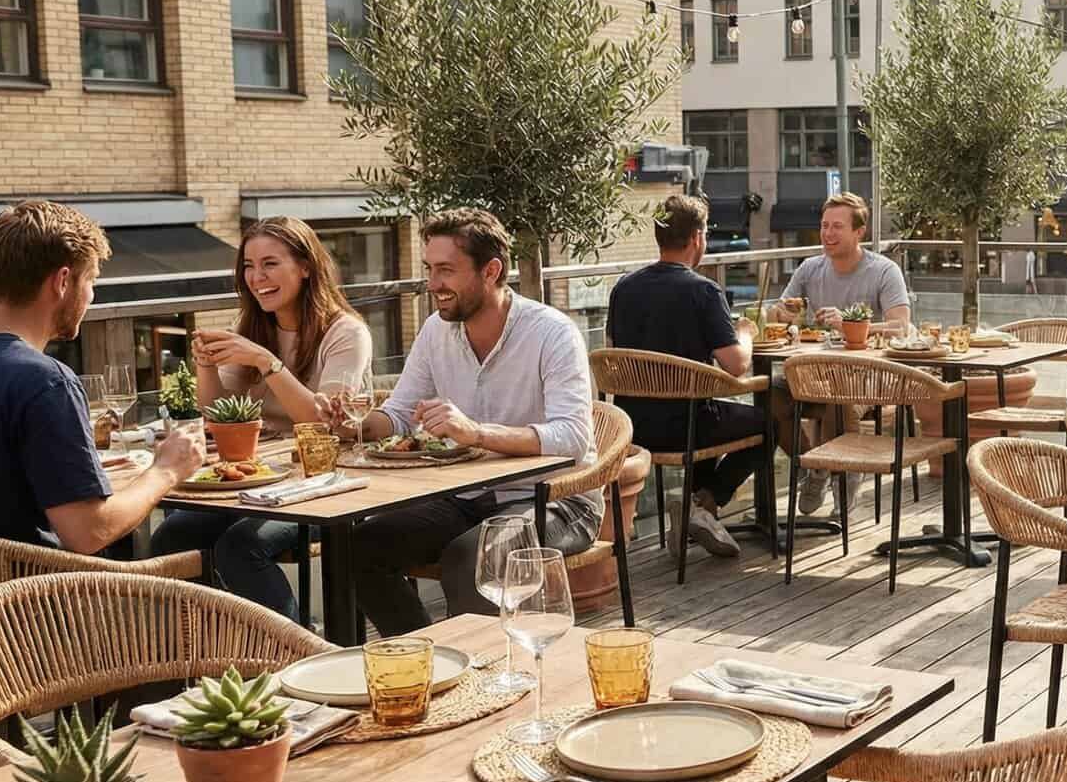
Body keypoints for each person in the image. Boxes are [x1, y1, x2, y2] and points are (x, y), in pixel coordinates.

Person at [321, 208, 599, 637]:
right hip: (465, 496)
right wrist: (353, 425)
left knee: (471, 559)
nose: (433, 284)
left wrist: (476, 432)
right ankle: (430, 658)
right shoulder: (436, 331)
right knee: (356, 547)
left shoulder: (552, 332)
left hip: (556, 499)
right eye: (430, 269)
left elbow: (573, 438)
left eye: (446, 270)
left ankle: (483, 677)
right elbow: (397, 415)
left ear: (491, 271)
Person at [150, 218, 373, 618]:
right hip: (260, 480)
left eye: (270, 263)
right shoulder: (252, 327)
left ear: (305, 266)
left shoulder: (345, 332)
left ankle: (290, 651)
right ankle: (206, 650)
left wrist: (265, 362)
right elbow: (218, 413)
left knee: (240, 546)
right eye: (249, 266)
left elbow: (323, 422)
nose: (257, 277)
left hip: (323, 483)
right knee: (172, 534)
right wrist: (205, 364)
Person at [0, 200, 203, 552]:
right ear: (63, 281)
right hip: (31, 599)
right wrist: (168, 469)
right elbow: (88, 532)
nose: (92, 296)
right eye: (92, 280)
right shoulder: (45, 382)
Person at [606, 195, 758, 560]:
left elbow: (612, 352)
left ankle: (698, 509)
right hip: (687, 426)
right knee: (767, 423)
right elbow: (736, 365)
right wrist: (746, 333)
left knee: (709, 409)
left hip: (632, 427)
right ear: (697, 239)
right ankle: (704, 505)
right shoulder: (704, 291)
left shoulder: (623, 289)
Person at [775, 192, 910, 516]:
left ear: (858, 232)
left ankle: (846, 473)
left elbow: (901, 327)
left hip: (869, 375)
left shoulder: (883, 270)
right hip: (815, 371)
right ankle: (815, 466)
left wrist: (851, 323)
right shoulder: (810, 269)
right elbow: (778, 313)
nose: (828, 233)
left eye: (837, 226)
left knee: (839, 394)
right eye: (824, 226)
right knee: (769, 396)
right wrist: (783, 317)